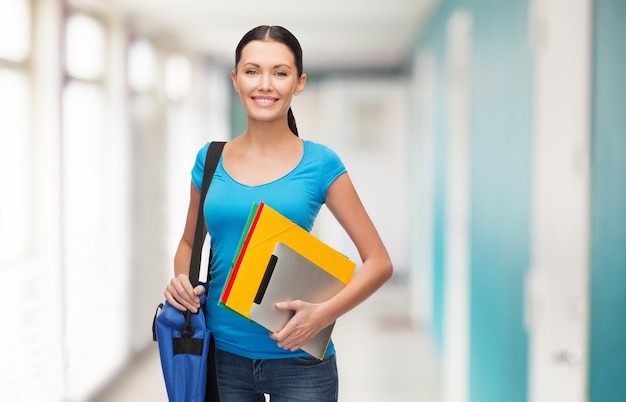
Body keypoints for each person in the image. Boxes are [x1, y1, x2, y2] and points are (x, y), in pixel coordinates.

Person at [164, 25, 393, 401]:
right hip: (222, 357)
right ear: (235, 79)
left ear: (298, 83)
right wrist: (181, 282)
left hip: (300, 361)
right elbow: (189, 243)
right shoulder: (210, 159)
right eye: (252, 71)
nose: (265, 84)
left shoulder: (320, 163)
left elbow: (379, 262)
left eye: (280, 73)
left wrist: (322, 315)